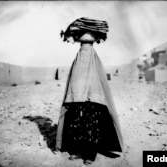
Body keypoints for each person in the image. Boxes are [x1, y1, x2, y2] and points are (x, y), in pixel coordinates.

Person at [56, 17, 123, 165]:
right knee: (77, 113)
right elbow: (69, 37)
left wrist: (84, 31)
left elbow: (100, 35)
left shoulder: (94, 40)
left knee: (92, 113)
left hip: (92, 65)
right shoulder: (78, 47)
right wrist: (69, 32)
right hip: (80, 64)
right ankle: (79, 150)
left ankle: (90, 153)